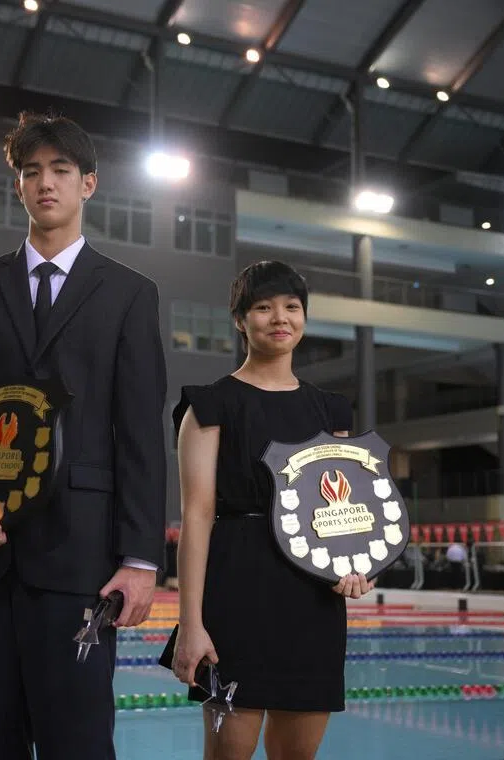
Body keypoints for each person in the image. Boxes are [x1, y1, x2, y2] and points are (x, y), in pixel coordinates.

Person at [0, 111, 167, 760]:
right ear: (18, 186)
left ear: (89, 184)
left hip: (82, 557)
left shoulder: (129, 295)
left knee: (77, 741)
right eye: (31, 172)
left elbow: (139, 432)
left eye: (59, 170)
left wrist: (140, 560)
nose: (44, 183)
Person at [169, 261, 373, 760]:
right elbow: (196, 517)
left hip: (311, 597)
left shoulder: (330, 411)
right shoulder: (210, 405)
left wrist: (353, 565)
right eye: (263, 308)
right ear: (240, 320)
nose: (279, 318)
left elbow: (343, 510)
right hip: (236, 592)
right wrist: (191, 625)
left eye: (291, 307)